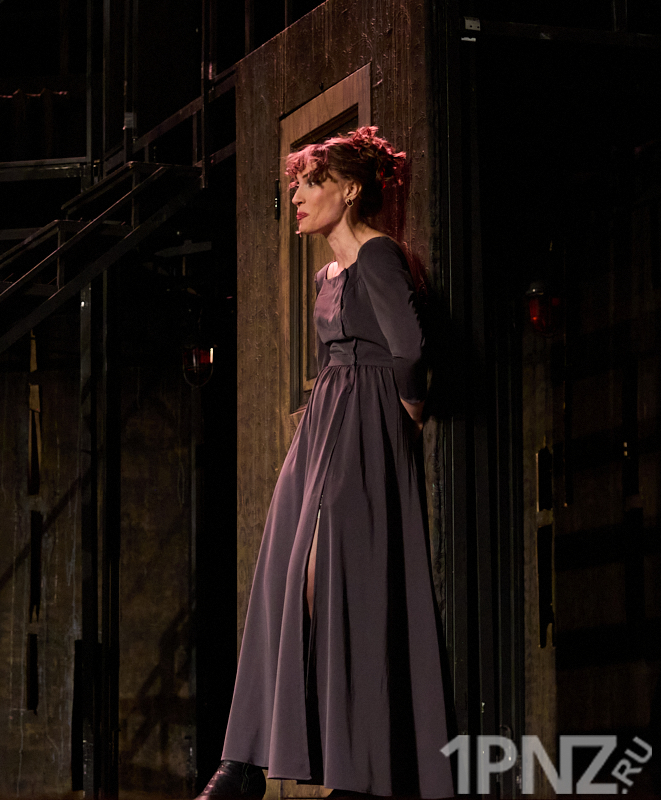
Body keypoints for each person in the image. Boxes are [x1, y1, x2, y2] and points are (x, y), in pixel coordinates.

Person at [197, 128, 453, 798]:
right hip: (323, 427)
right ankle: (244, 760)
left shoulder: (378, 257)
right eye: (297, 184)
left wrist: (408, 411)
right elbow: (330, 356)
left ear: (350, 189)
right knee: (283, 581)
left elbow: (409, 349)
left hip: (365, 422)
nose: (298, 196)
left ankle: (358, 769)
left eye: (311, 183)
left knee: (344, 586)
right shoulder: (326, 275)